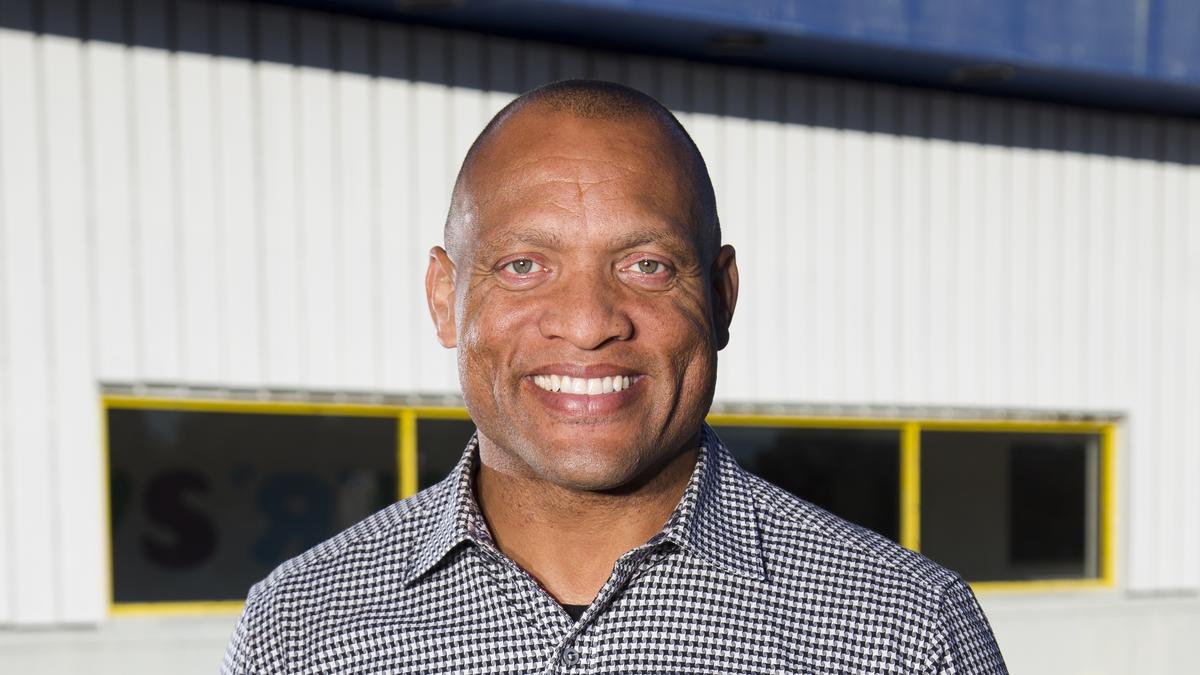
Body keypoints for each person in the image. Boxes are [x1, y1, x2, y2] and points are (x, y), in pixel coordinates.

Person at [222, 79, 1007, 674]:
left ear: (721, 296)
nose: (591, 319)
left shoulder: (906, 631)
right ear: (444, 298)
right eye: (525, 265)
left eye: (647, 265)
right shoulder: (299, 629)